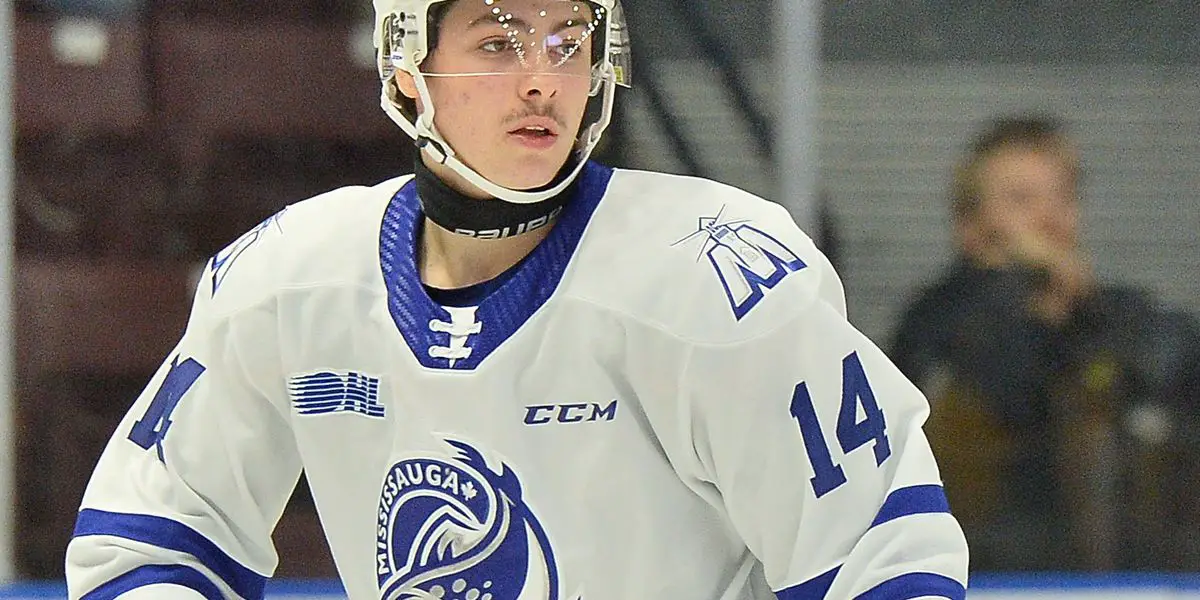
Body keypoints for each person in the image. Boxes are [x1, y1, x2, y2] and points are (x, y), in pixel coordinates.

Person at [65, 1, 969, 597]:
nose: (543, 77)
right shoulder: (288, 282)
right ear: (406, 71)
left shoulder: (713, 280)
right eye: (499, 43)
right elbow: (148, 541)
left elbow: (888, 559)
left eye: (568, 41)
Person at [889, 115, 1200, 572]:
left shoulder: (1111, 313)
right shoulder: (936, 320)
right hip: (980, 572)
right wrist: (1020, 292)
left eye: (1064, 196)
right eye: (1022, 200)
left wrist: (1083, 314)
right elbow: (996, 392)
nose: (1049, 217)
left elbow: (1177, 381)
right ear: (969, 225)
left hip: (1129, 576)